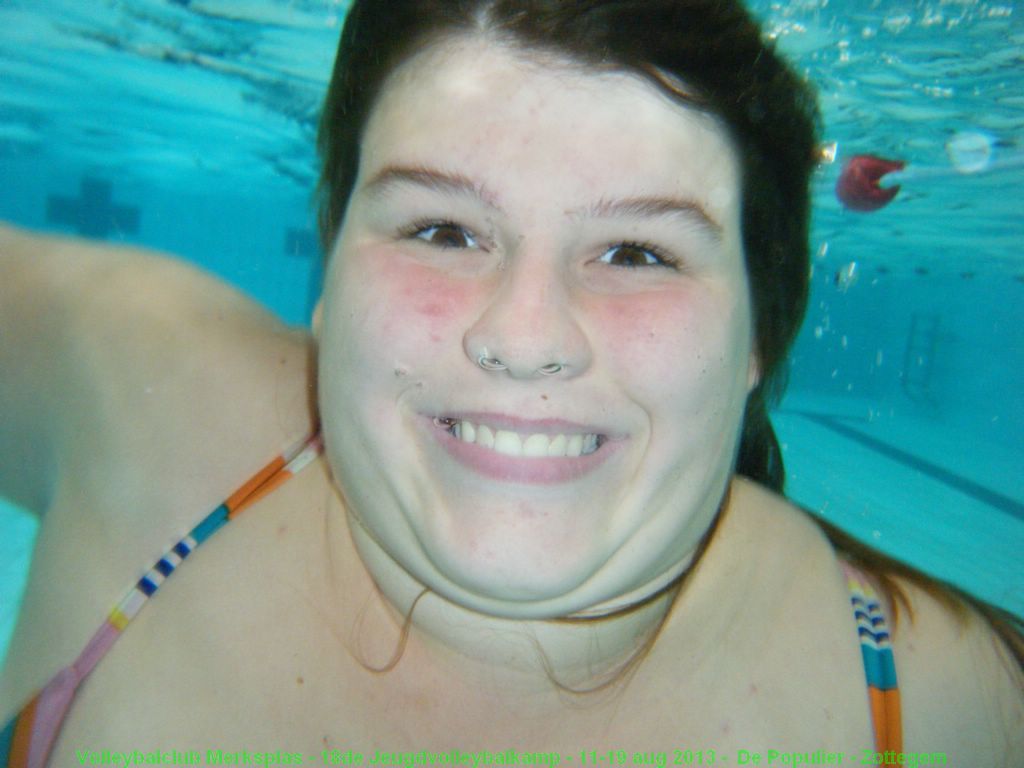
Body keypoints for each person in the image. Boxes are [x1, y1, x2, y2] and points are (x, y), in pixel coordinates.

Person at [1, 0, 1022, 765]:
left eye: (638, 252)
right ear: (329, 270)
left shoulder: (951, 706)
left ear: (761, 330)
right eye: (442, 230)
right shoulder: (135, 393)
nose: (523, 338)